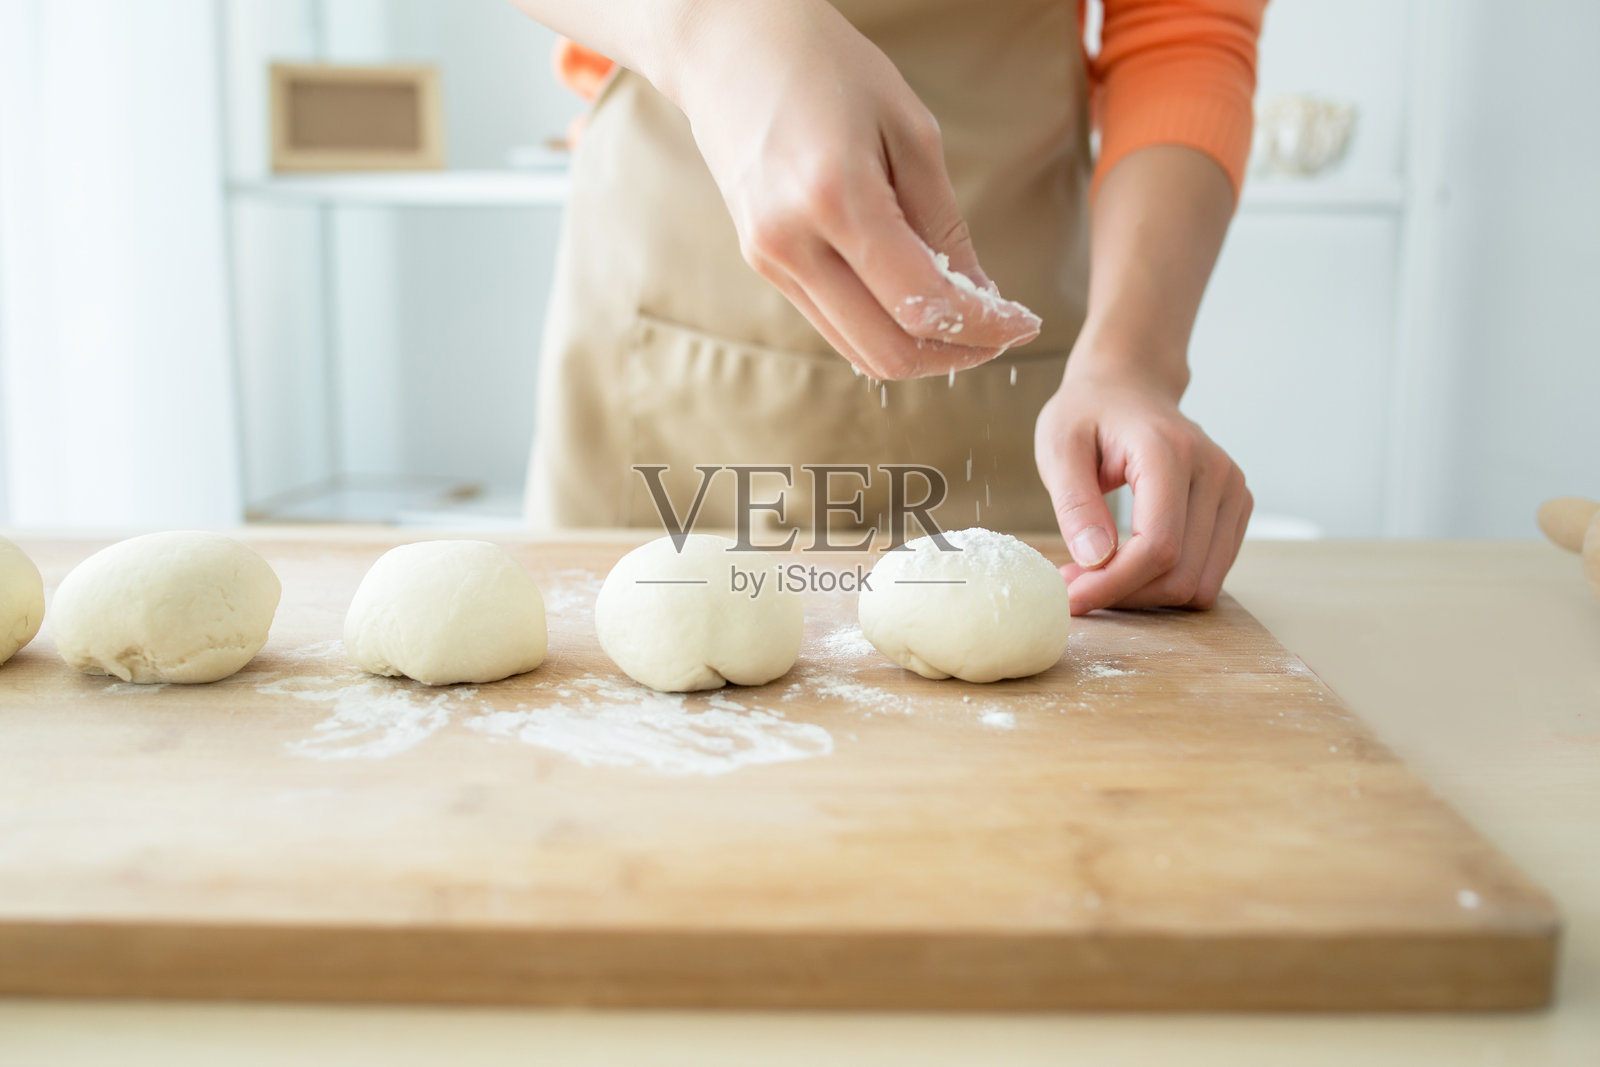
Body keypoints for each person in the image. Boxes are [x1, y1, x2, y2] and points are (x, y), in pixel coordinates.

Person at [512, 0, 1264, 615]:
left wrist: (1131, 359)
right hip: (662, 316)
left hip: (1009, 355)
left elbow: (1184, 33)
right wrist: (709, 26)